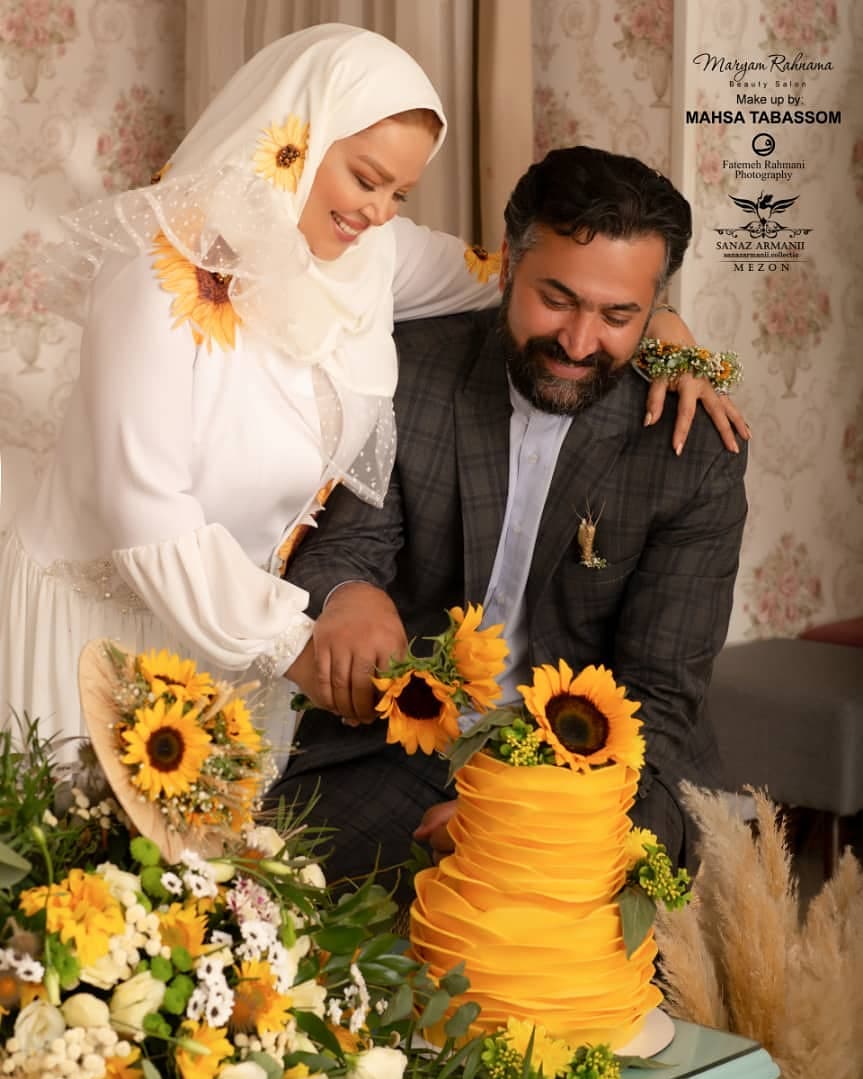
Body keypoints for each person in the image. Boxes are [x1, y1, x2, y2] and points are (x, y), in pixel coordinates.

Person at [0, 24, 737, 758]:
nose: (381, 210)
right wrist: (290, 644)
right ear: (295, 140)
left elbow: (520, 279)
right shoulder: (155, 273)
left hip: (238, 646)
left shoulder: (370, 253)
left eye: (400, 192)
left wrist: (656, 323)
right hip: (106, 625)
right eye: (365, 177)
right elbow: (144, 511)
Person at [269, 145, 749, 887]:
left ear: (654, 311)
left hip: (604, 770)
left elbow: (658, 697)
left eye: (618, 315)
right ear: (505, 270)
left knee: (537, 930)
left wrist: (519, 810)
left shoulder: (692, 449)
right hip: (399, 743)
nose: (579, 342)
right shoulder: (410, 369)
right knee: (265, 892)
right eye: (555, 299)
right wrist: (347, 592)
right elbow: (346, 547)